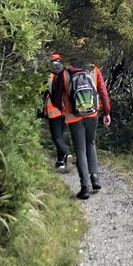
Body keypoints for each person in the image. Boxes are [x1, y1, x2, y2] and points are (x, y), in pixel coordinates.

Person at [51, 60, 111, 200]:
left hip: (73, 116)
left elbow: (55, 98)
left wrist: (64, 109)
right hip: (92, 114)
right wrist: (107, 112)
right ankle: (95, 178)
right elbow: (102, 91)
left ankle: (84, 187)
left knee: (80, 149)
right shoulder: (93, 69)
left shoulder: (65, 72)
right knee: (91, 144)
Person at [42, 52, 69, 172]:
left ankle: (67, 155)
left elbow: (44, 93)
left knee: (57, 138)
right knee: (60, 137)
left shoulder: (49, 76)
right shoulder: (65, 74)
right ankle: (60, 161)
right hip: (65, 110)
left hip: (53, 111)